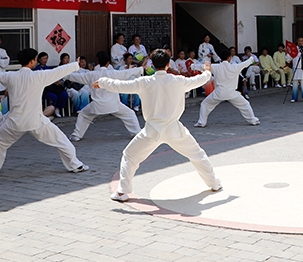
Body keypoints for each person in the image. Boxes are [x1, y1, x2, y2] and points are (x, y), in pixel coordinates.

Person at [94, 50, 221, 202]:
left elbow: (121, 86)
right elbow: (199, 80)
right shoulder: (178, 81)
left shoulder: (145, 82)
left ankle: (122, 192)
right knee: (197, 155)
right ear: (168, 64)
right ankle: (214, 183)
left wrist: (102, 82)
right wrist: (207, 72)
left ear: (152, 65)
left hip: (152, 130)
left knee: (130, 156)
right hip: (174, 129)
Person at [0, 48, 90, 176]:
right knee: (61, 141)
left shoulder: (10, 76)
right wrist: (75, 65)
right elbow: (57, 72)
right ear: (33, 61)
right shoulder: (38, 76)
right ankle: (75, 165)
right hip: (36, 121)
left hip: (15, 122)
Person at [66, 51, 145, 141]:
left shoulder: (91, 74)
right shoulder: (112, 73)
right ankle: (137, 132)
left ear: (98, 62)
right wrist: (141, 69)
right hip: (113, 105)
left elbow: (75, 77)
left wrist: (61, 73)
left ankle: (76, 135)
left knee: (83, 115)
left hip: (96, 105)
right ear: (108, 63)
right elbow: (126, 73)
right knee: (130, 114)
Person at [194, 50, 260, 126]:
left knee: (205, 104)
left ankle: (201, 122)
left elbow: (202, 66)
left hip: (218, 93)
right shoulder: (235, 66)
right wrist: (251, 57)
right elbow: (246, 63)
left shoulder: (216, 66)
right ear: (229, 58)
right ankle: (253, 120)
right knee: (245, 104)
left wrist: (192, 66)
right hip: (232, 93)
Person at [34, 52, 69, 118]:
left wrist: (58, 81)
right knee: (53, 97)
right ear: (39, 59)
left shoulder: (50, 68)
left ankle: (57, 108)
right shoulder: (36, 69)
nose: (45, 60)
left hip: (54, 88)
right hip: (46, 89)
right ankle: (50, 111)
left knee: (64, 95)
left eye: (46, 58)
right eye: (43, 58)